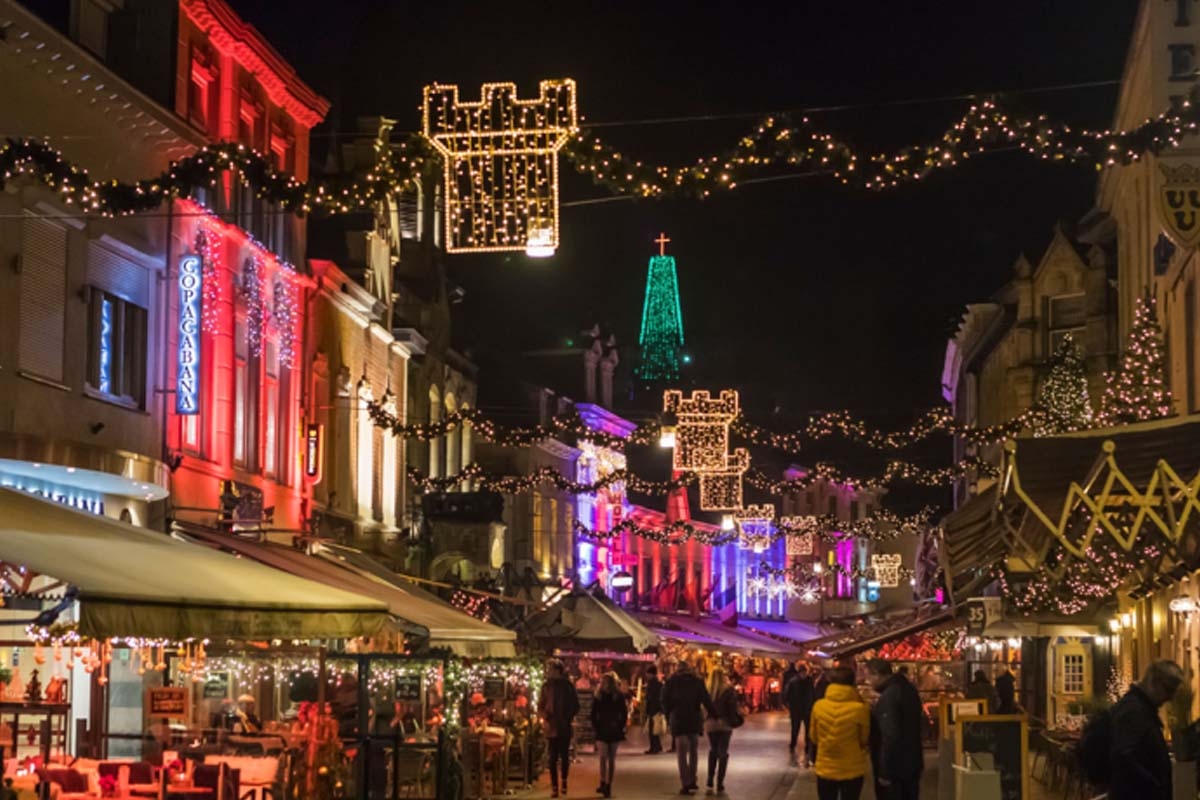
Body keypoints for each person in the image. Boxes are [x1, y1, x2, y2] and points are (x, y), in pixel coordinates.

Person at [1110, 660, 1184, 800]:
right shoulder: (1134, 711)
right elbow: (1125, 758)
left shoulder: (1140, 709)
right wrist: (1155, 787)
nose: (1171, 697)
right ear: (1154, 683)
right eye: (1169, 689)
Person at [865, 659, 924, 800]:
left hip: (897, 769)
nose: (867, 681)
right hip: (912, 761)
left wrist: (885, 771)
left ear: (877, 675)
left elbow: (890, 736)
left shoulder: (890, 696)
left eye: (868, 677)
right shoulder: (907, 688)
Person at [809, 666, 870, 800]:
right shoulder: (860, 709)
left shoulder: (818, 706)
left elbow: (813, 737)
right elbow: (864, 739)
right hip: (852, 768)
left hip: (825, 767)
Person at [662, 661, 714, 795]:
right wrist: (714, 713)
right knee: (693, 751)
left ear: (677, 669)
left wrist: (668, 716)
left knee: (681, 753)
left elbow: (664, 701)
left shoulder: (671, 682)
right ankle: (692, 780)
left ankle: (685, 783)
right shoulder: (697, 681)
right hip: (694, 720)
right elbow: (706, 699)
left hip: (678, 720)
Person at [538, 660, 580, 798]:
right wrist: (545, 715)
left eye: (551, 669)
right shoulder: (546, 686)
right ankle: (554, 786)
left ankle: (564, 780)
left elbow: (575, 705)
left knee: (564, 756)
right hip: (551, 726)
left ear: (557, 671)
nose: (549, 671)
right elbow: (541, 704)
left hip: (563, 726)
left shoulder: (567, 686)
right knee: (552, 758)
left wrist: (567, 716)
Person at [591, 673, 627, 798]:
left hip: (605, 729)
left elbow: (593, 714)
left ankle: (605, 782)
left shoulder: (600, 696)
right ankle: (607, 783)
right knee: (609, 758)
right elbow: (624, 713)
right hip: (612, 729)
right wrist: (621, 725)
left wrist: (596, 726)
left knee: (605, 758)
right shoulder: (617, 696)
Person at [705, 667, 739, 795]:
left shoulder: (708, 690)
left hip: (711, 724)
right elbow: (732, 708)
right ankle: (720, 782)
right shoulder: (728, 690)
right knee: (723, 752)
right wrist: (734, 720)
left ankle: (710, 778)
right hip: (724, 723)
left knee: (714, 749)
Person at [784, 664, 815, 767]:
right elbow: (787, 694)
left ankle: (798, 745)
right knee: (797, 729)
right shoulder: (797, 681)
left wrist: (788, 704)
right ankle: (796, 745)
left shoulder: (795, 681)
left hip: (801, 710)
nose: (804, 674)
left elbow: (786, 694)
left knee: (799, 729)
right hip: (800, 710)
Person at [644, 665, 665, 754]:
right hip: (657, 708)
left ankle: (654, 747)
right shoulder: (659, 684)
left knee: (652, 729)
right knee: (655, 729)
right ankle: (658, 746)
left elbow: (650, 697)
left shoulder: (652, 684)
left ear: (650, 674)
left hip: (653, 708)